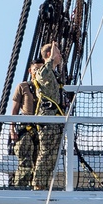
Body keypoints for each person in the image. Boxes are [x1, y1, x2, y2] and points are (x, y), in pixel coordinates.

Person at [32, 41, 65, 190]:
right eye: (57, 52)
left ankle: (45, 183)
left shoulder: (55, 74)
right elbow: (42, 74)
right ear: (48, 54)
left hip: (55, 119)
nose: (60, 55)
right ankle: (38, 183)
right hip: (47, 119)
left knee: (53, 155)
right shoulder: (43, 71)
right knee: (45, 152)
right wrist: (51, 59)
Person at [9, 57, 44, 187]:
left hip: (42, 130)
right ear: (30, 71)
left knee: (40, 164)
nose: (38, 72)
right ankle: (19, 188)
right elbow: (14, 110)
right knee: (25, 162)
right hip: (26, 129)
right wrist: (12, 129)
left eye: (41, 70)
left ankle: (37, 189)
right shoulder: (23, 86)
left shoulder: (47, 88)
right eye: (36, 70)